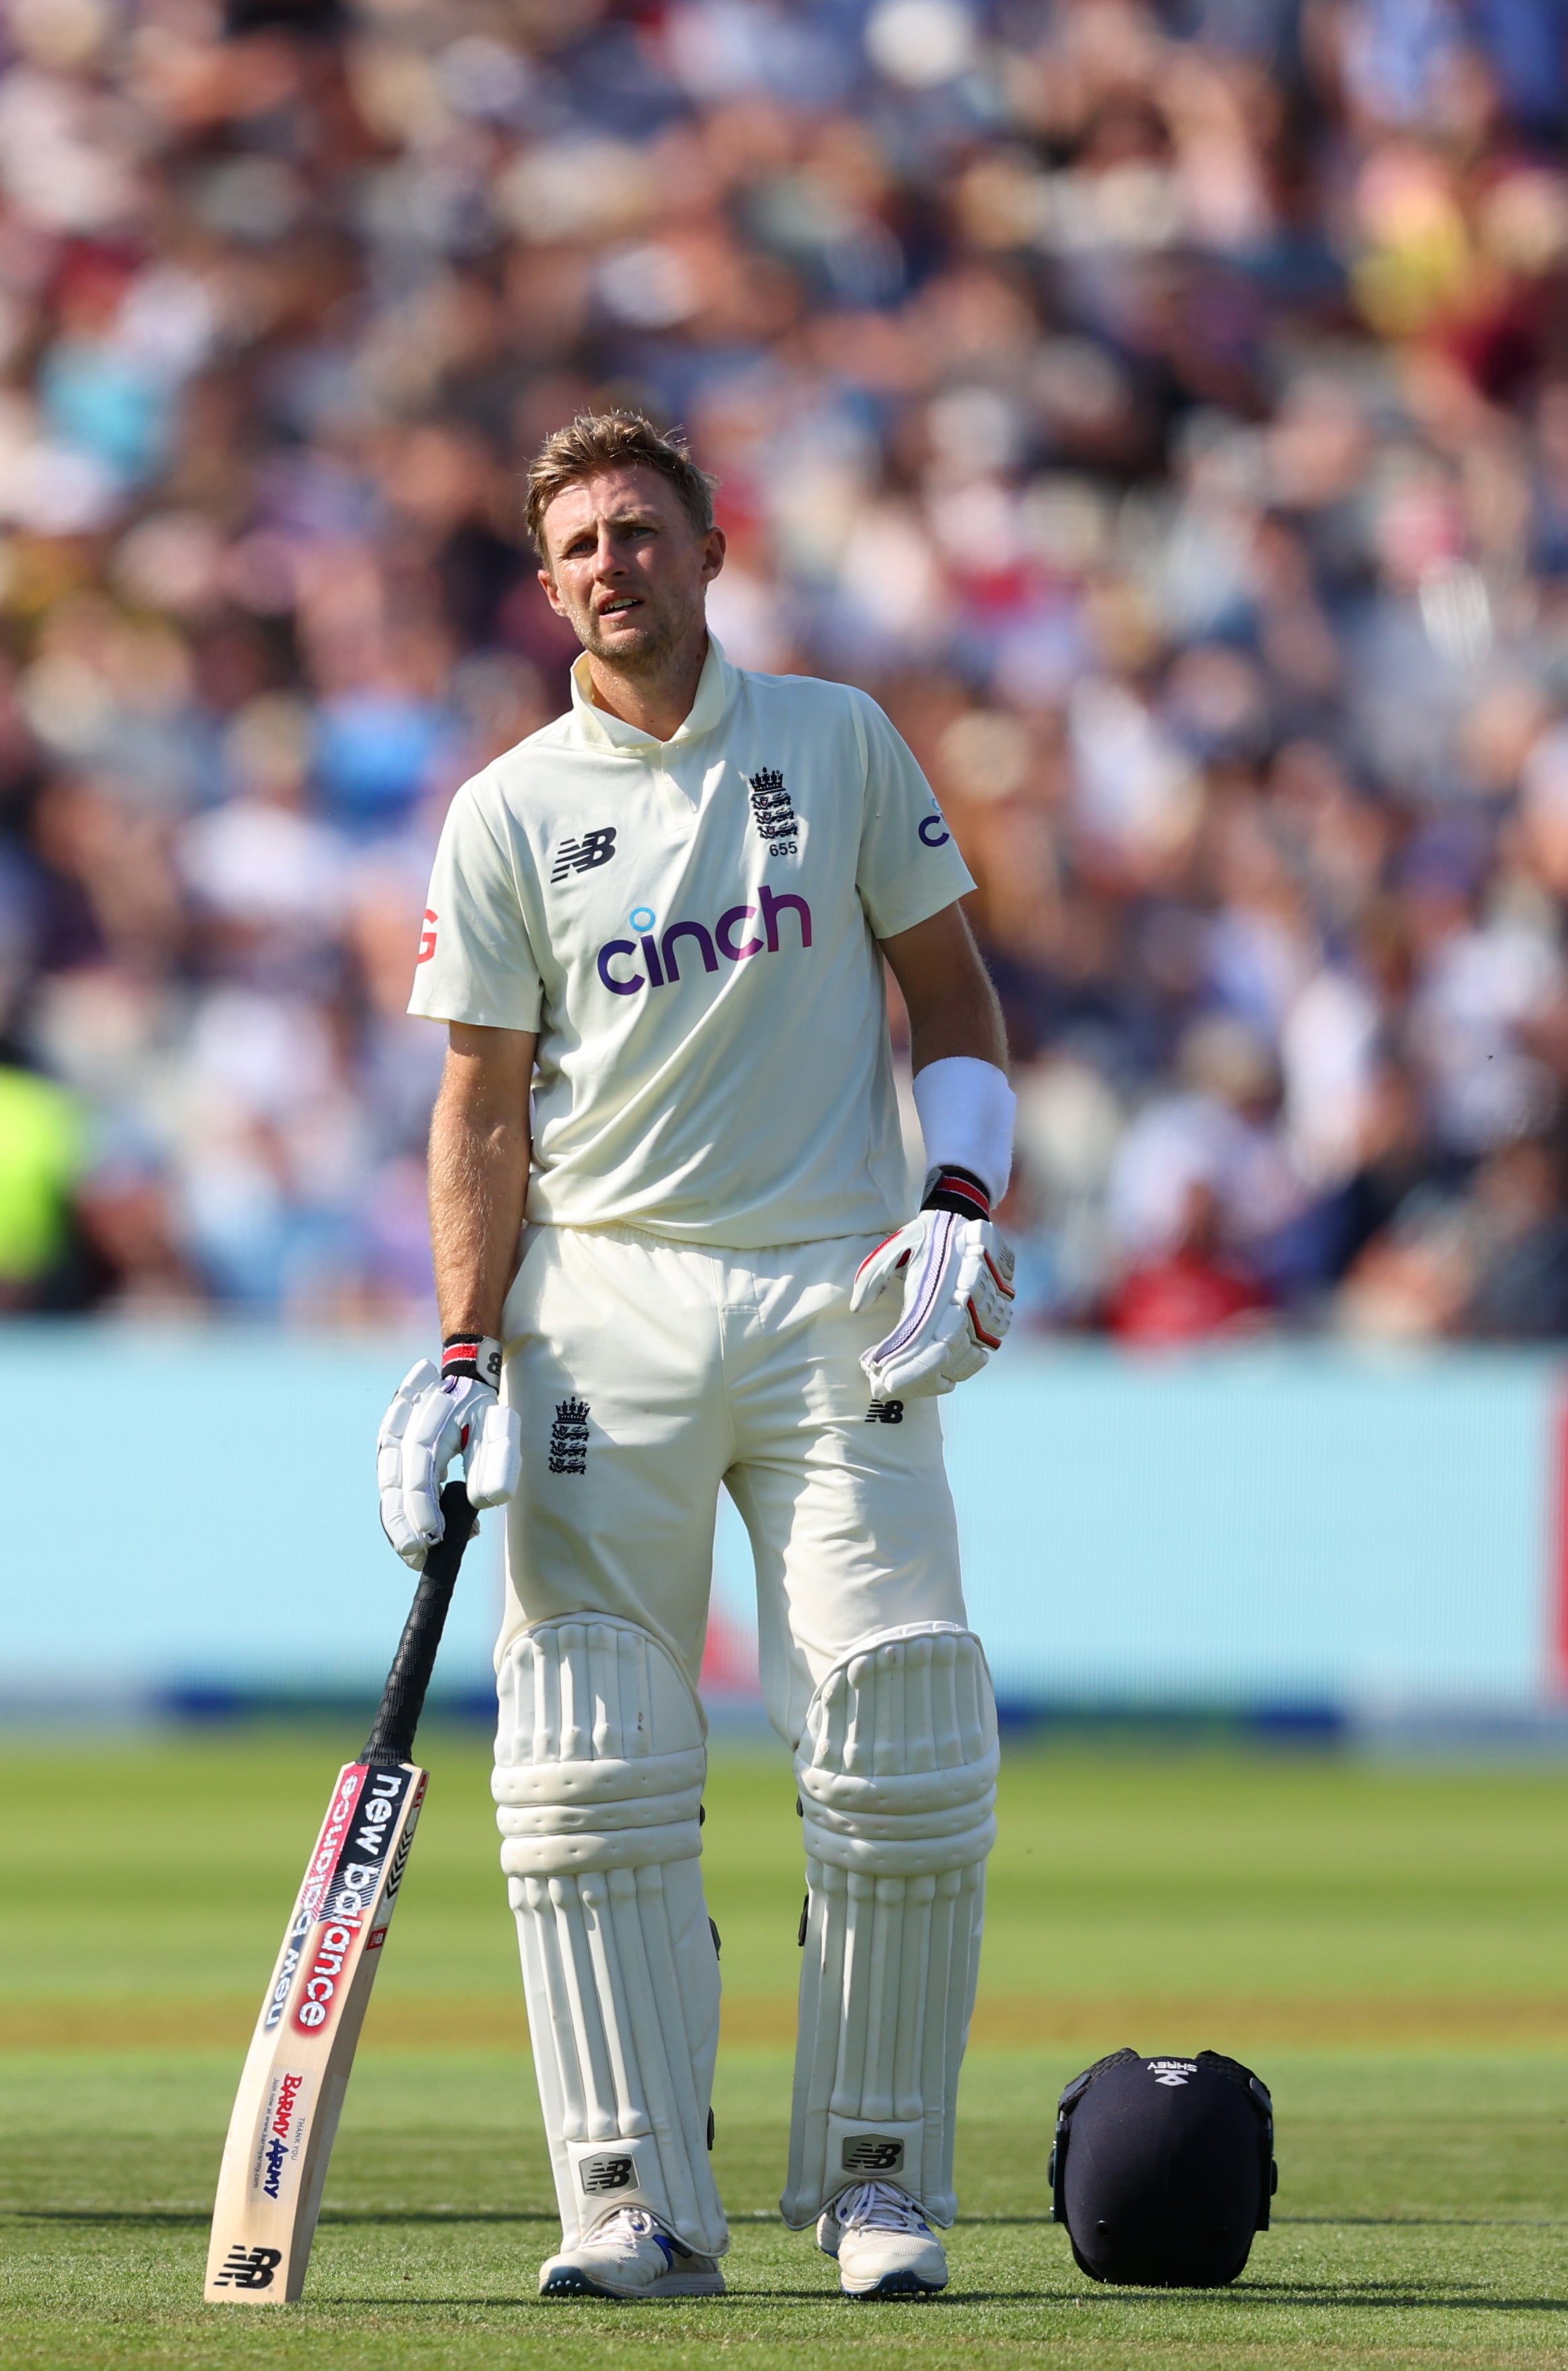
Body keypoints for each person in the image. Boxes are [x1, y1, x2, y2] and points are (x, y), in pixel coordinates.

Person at [376, 411, 1016, 2302]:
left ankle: (883, 2180)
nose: (608, 563)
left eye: (638, 528)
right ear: (548, 576)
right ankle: (633, 2198)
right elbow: (476, 1112)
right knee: (587, 1759)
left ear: (710, 544)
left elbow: (958, 997)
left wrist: (961, 1194)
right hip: (606, 1308)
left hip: (835, 1288)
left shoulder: (838, 738)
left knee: (898, 1726)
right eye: (575, 540)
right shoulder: (506, 810)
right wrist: (464, 1353)